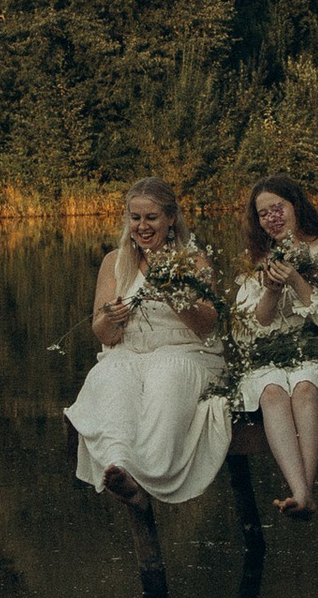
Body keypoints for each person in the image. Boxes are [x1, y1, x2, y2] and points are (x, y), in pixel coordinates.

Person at [66, 177, 230, 533]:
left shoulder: (194, 260)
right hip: (128, 352)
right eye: (135, 218)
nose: (142, 227)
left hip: (185, 352)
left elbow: (206, 325)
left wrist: (174, 295)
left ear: (171, 218)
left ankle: (151, 474)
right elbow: (102, 333)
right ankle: (120, 469)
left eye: (151, 218)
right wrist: (110, 319)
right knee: (109, 376)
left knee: (166, 373)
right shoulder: (114, 262)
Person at [231, 176, 318, 517]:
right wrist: (273, 289)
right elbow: (249, 330)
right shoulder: (256, 259)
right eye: (263, 214)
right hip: (268, 354)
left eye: (278, 208)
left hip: (314, 348)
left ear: (296, 206)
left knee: (306, 388)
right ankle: (302, 492)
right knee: (272, 393)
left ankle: (301, 490)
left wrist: (295, 279)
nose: (272, 218)